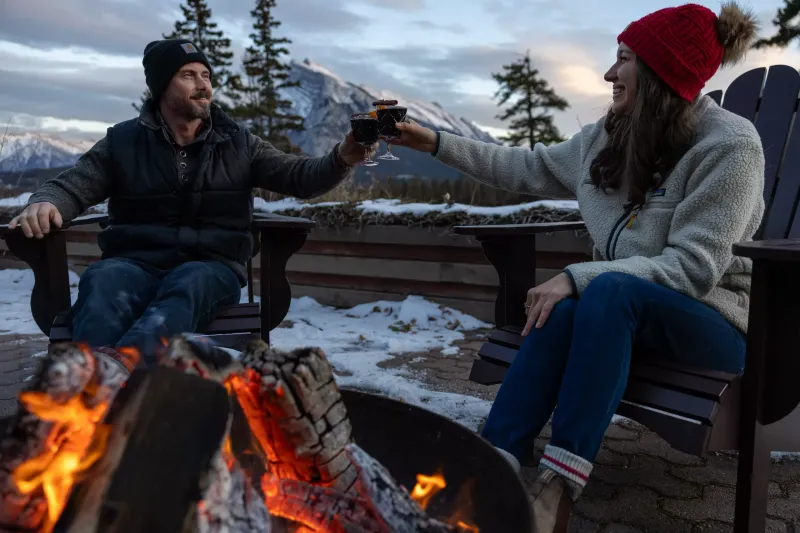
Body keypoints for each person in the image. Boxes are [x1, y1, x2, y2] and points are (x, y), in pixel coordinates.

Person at [390, 3, 762, 531]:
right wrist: (432, 141)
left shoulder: (730, 147)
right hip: (622, 314)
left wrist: (576, 277)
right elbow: (526, 165)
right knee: (563, 313)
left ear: (659, 72)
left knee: (599, 292)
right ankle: (494, 461)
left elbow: (693, 269)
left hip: (715, 323)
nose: (610, 74)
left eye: (624, 59)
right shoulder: (609, 136)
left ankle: (560, 486)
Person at [9, 38, 376, 366]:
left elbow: (300, 176)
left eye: (206, 75)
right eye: (188, 75)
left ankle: (111, 375)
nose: (203, 86)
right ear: (161, 86)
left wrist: (341, 157)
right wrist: (45, 202)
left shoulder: (239, 142)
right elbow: (72, 186)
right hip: (135, 262)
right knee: (103, 279)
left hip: (212, 267)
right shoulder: (122, 143)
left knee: (190, 280)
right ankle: (93, 394)